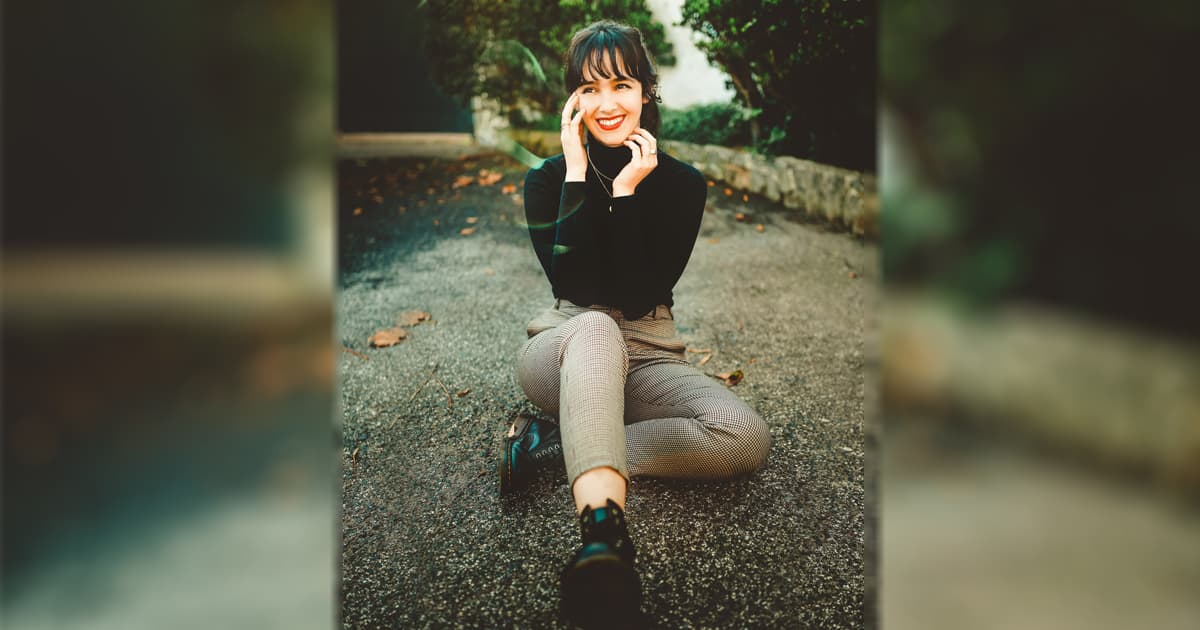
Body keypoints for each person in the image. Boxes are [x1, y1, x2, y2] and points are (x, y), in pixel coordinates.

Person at [498, 19, 771, 629]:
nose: (606, 103)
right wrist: (577, 175)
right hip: (565, 348)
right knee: (595, 326)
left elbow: (643, 291)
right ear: (573, 100)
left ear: (646, 92)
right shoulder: (546, 182)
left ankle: (551, 447)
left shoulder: (680, 184)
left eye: (620, 84)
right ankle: (603, 537)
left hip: (648, 359)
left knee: (744, 435)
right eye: (589, 90)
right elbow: (576, 288)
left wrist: (624, 193)